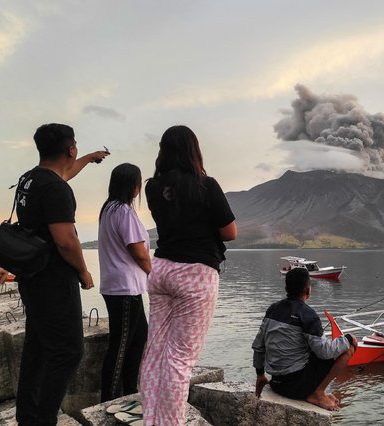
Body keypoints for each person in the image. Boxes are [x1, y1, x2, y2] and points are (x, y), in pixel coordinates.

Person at [139, 125, 236, 425]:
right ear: (194, 150)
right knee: (180, 360)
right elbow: (230, 232)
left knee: (155, 352)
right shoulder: (206, 185)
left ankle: (151, 420)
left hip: (162, 269)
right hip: (195, 274)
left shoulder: (152, 188)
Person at [15, 123, 109, 426]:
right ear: (70, 149)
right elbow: (66, 240)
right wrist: (83, 271)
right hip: (54, 280)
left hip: (32, 278)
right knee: (69, 351)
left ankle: (27, 417)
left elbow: (64, 172)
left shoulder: (30, 179)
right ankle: (44, 420)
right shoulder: (56, 189)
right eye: (77, 147)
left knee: (38, 346)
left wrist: (90, 158)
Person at [252, 268, 357, 411]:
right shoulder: (308, 315)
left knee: (309, 348)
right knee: (348, 349)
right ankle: (318, 393)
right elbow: (325, 352)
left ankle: (319, 392)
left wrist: (260, 375)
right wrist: (348, 339)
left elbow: (259, 346)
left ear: (286, 288)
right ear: (308, 290)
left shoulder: (273, 310)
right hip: (296, 388)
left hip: (276, 384)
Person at [98, 163, 151, 402]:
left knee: (139, 338)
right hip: (124, 287)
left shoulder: (108, 208)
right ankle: (108, 401)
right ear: (133, 185)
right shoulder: (124, 212)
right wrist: (154, 273)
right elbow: (138, 251)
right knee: (120, 346)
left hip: (119, 285)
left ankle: (130, 393)